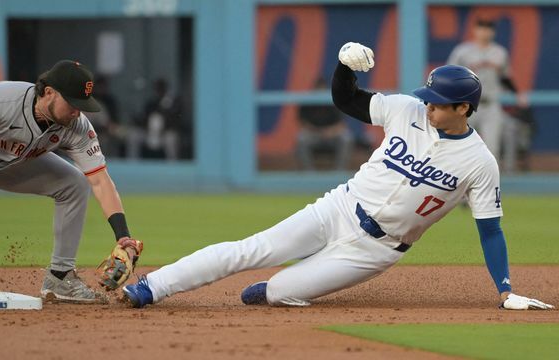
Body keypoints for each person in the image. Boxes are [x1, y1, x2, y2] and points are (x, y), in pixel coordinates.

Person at [120, 42, 554, 311]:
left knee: (272, 293)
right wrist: (345, 67)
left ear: (464, 109)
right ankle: (152, 287)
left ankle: (277, 289)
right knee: (251, 248)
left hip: (375, 250)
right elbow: (346, 100)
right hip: (338, 207)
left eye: (440, 103)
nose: (429, 106)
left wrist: (505, 289)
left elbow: (490, 231)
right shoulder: (406, 109)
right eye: (430, 98)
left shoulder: (479, 162)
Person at [0, 60, 142, 303]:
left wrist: (123, 236)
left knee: (74, 184)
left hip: (7, 163)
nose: (78, 111)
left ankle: (60, 278)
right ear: (49, 93)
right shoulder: (0, 99)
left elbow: (100, 180)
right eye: (73, 103)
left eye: (83, 105)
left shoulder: (76, 127)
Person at [447, 18, 527, 163]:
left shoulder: (499, 52)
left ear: (493, 32)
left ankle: (488, 182)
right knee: (460, 144)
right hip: (466, 104)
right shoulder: (462, 51)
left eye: (488, 29)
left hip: (490, 104)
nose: (485, 32)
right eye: (481, 28)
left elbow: (505, 77)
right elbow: (450, 74)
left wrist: (517, 94)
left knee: (492, 147)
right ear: (475, 30)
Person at [296, 78, 354, 171]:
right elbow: (303, 122)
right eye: (318, 89)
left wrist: (330, 131)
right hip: (313, 134)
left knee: (346, 138)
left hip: (332, 135)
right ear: (314, 89)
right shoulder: (308, 102)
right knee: (301, 138)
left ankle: (339, 171)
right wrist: (317, 131)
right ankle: (309, 172)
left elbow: (341, 124)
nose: (320, 92)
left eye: (322, 89)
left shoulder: (334, 101)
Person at [126, 78, 182, 160]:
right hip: (149, 134)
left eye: (162, 88)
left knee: (171, 138)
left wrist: (164, 113)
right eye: (158, 88)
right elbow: (144, 120)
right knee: (133, 135)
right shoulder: (151, 103)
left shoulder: (172, 103)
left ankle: (172, 167)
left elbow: (175, 121)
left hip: (164, 135)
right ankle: (132, 164)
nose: (160, 90)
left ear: (166, 89)